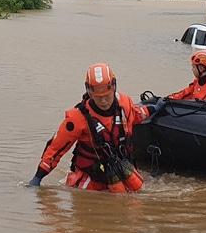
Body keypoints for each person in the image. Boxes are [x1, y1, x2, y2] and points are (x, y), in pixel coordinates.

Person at [29, 63, 150, 192]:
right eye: (99, 97)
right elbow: (55, 148)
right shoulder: (77, 118)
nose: (103, 101)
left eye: (107, 96)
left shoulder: (124, 103)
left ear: (114, 88)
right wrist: (38, 177)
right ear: (89, 92)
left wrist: (156, 108)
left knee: (136, 197)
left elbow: (136, 115)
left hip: (121, 170)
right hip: (91, 177)